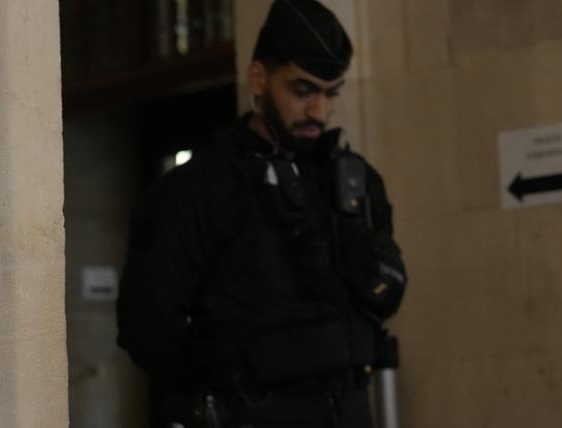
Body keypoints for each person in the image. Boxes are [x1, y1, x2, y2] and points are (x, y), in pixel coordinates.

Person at [116, 1, 407, 427]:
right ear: (258, 78)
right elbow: (149, 329)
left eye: (331, 93)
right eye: (303, 90)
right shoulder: (197, 188)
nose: (319, 112)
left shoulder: (355, 184)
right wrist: (227, 384)